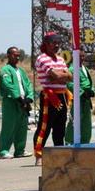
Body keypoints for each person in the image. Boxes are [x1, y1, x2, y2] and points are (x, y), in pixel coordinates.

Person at [33, 32, 72, 166]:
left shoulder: (60, 59)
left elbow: (70, 76)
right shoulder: (42, 59)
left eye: (58, 43)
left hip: (62, 95)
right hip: (50, 96)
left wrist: (59, 76)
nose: (56, 45)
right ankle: (39, 155)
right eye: (53, 42)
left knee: (60, 127)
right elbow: (55, 75)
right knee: (45, 126)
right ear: (46, 44)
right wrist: (61, 75)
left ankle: (59, 153)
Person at [0, 47, 34, 159]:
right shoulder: (5, 70)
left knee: (22, 126)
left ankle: (19, 150)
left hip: (23, 103)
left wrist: (29, 98)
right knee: (9, 127)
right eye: (14, 55)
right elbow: (8, 85)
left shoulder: (21, 71)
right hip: (11, 102)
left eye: (18, 55)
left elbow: (28, 85)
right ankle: (4, 150)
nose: (17, 57)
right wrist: (18, 98)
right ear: (8, 55)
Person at [65, 49, 95, 144]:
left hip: (86, 100)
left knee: (86, 122)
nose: (81, 58)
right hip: (78, 99)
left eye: (83, 56)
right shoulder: (71, 69)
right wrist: (81, 92)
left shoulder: (84, 68)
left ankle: (85, 142)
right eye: (79, 56)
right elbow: (69, 84)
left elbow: (89, 82)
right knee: (75, 122)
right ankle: (69, 141)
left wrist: (91, 91)